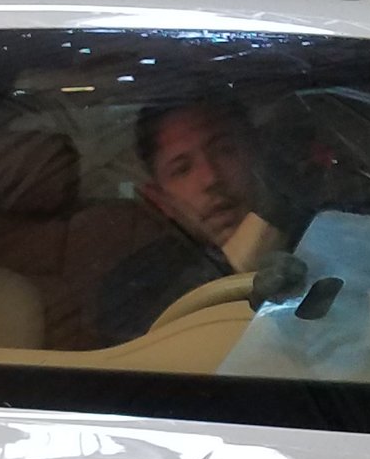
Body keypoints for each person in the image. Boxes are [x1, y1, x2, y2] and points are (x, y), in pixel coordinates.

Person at [95, 101, 291, 342]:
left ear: (259, 156)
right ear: (161, 201)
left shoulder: (326, 235)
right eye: (182, 169)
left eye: (224, 150)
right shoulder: (134, 290)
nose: (211, 179)